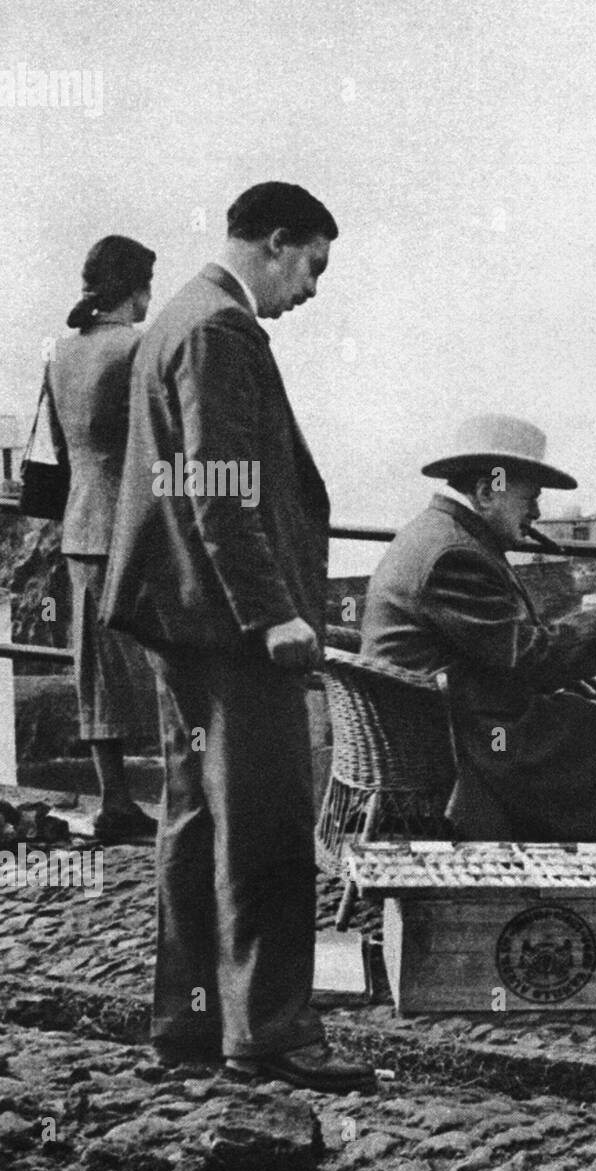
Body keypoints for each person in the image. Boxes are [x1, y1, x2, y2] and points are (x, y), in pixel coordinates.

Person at [102, 182, 374, 1094]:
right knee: (264, 825)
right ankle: (273, 1031)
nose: (311, 290)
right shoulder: (219, 328)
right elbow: (221, 488)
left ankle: (192, 1015)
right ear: (275, 240)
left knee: (194, 820)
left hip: (182, 618)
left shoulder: (176, 317)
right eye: (312, 266)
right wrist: (274, 613)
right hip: (231, 629)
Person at [361, 413, 596, 841]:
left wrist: (559, 680)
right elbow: (525, 655)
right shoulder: (455, 553)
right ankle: (595, 886)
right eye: (528, 498)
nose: (536, 512)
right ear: (486, 491)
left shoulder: (444, 536)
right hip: (455, 743)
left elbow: (497, 650)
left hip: (440, 721)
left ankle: (586, 875)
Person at [45, 235, 159, 842]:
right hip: (134, 528)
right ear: (133, 288)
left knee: (96, 671)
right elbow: (159, 444)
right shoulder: (137, 349)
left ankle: (115, 800)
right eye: (147, 285)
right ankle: (192, 799)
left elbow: (60, 452)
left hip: (81, 525)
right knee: (167, 663)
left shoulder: (63, 354)